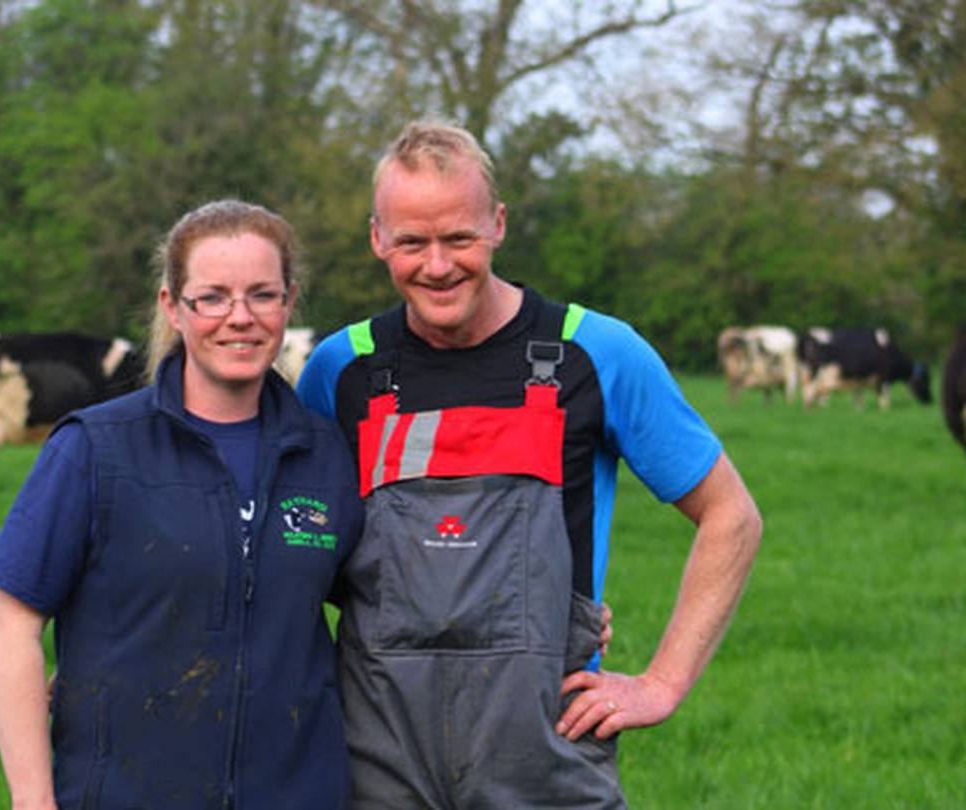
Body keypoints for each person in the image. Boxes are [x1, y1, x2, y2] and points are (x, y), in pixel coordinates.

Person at [296, 120, 763, 808]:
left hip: (545, 757)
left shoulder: (595, 353)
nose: (437, 265)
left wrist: (662, 683)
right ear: (377, 238)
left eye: (459, 238)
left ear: (498, 224)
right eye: (412, 242)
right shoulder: (341, 369)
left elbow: (731, 516)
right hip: (378, 763)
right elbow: (303, 546)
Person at [0, 199, 363, 810]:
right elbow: (10, 623)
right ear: (173, 307)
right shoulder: (95, 448)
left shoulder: (326, 454)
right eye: (213, 297)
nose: (240, 317)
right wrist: (32, 800)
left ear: (289, 303)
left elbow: (374, 611)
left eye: (262, 295)